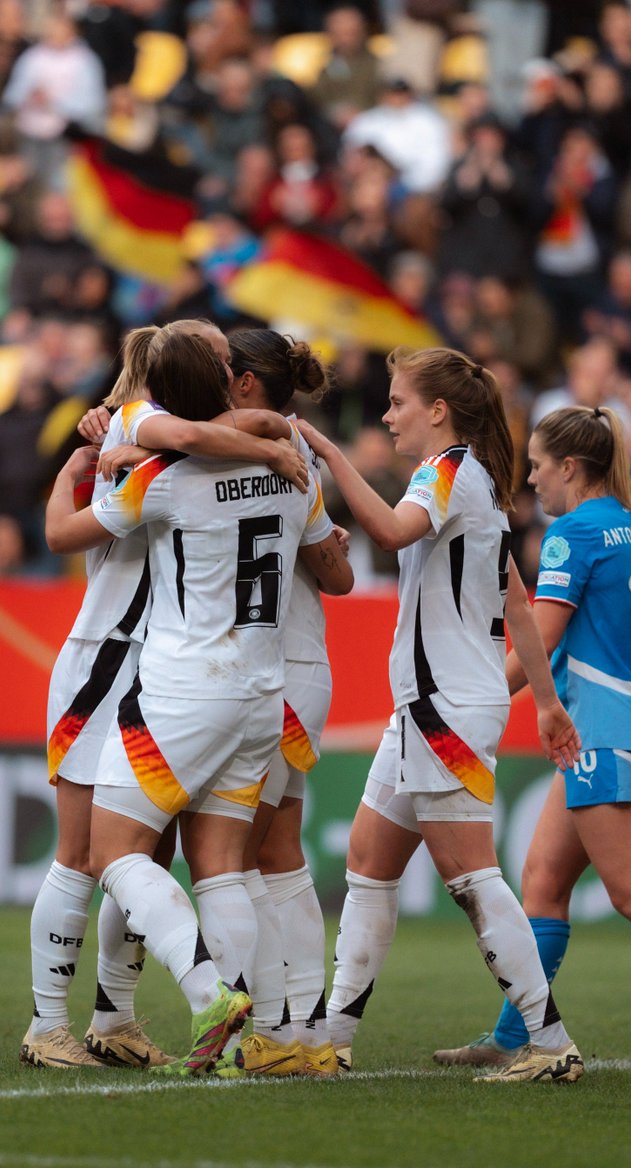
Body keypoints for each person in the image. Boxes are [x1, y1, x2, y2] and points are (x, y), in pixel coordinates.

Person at [45, 330, 335, 1075]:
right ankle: (238, 1048)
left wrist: (85, 467)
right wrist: (274, 437)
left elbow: (61, 534)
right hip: (261, 694)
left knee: (112, 853)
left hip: (184, 689)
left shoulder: (162, 475)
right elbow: (327, 559)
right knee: (222, 868)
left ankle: (209, 994)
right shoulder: (295, 472)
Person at [294, 346, 586, 1084]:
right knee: (368, 859)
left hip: (443, 708)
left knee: (470, 875)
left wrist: (327, 453)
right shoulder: (478, 482)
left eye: (396, 402)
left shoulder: (448, 473)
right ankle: (332, 1038)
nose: (388, 415)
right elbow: (516, 599)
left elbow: (391, 533)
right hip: (429, 707)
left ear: (437, 410)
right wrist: (545, 704)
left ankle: (551, 1044)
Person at [433, 406, 631, 1081]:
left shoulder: (572, 535)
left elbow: (541, 636)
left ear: (570, 467)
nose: (531, 478)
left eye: (536, 464)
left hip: (602, 734)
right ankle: (515, 1034)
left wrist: (473, 704)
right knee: (543, 882)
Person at [223, 328, 354, 1077]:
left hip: (279, 671)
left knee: (235, 854)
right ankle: (309, 1033)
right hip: (301, 666)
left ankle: (278, 1029)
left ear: (246, 385)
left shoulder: (256, 451)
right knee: (277, 853)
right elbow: (334, 575)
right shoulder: (288, 452)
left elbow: (331, 576)